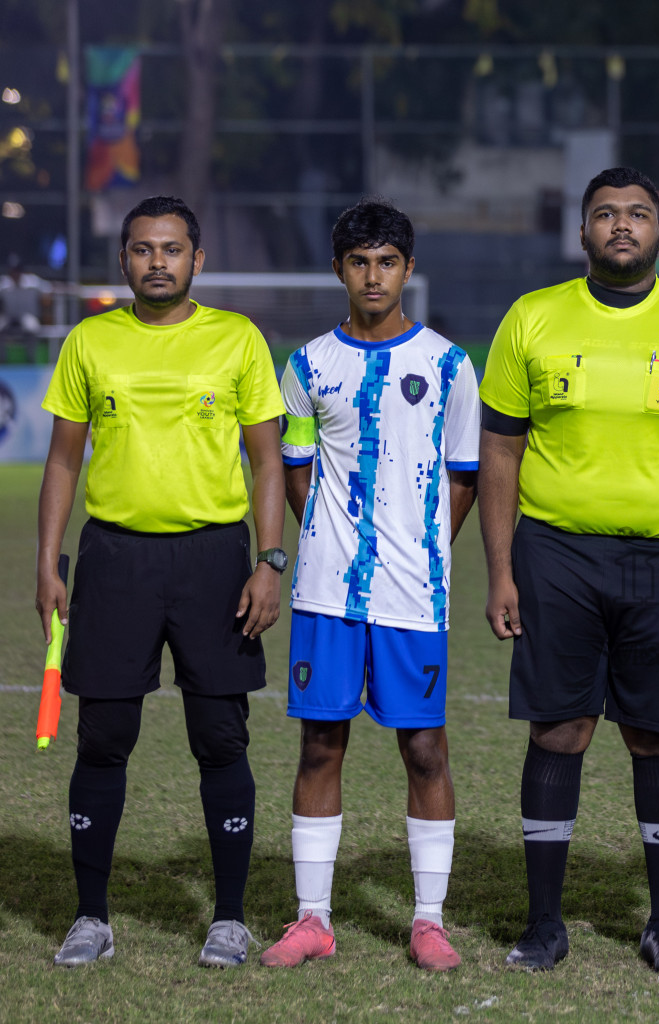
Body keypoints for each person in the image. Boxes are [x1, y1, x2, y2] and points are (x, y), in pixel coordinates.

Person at [478, 167, 659, 973]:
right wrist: (499, 569)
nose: (621, 226)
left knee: (657, 734)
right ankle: (543, 924)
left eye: (637, 215)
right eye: (606, 215)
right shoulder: (532, 317)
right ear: (584, 231)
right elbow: (500, 447)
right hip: (555, 551)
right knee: (559, 728)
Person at [36, 195, 285, 968]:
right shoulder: (90, 341)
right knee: (104, 737)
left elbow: (268, 460)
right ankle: (91, 918)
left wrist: (270, 562)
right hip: (114, 561)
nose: (157, 262)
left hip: (213, 559)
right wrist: (46, 561)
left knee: (220, 737)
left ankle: (232, 918)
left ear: (196, 260)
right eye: (143, 249)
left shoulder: (237, 339)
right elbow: (64, 459)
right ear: (123, 261)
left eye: (172, 249)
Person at [258, 200, 479, 972]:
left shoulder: (451, 365)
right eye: (359, 262)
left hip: (415, 593)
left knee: (424, 748)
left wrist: (418, 550)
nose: (373, 275)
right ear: (339, 270)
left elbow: (462, 477)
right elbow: (293, 467)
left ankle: (428, 921)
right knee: (321, 744)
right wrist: (328, 538)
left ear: (408, 270)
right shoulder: (309, 364)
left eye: (387, 261)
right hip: (324, 594)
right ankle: (312, 918)